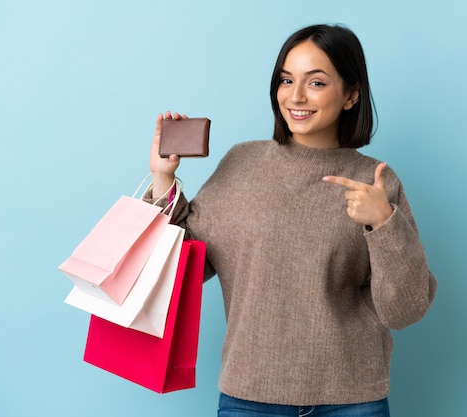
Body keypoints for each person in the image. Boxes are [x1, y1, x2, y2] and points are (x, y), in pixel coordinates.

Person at [145, 23, 437, 417]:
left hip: (352, 401)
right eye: (286, 80)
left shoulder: (376, 181)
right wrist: (163, 178)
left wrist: (384, 223)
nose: (295, 96)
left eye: (316, 83)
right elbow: (181, 269)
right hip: (249, 397)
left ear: (351, 95)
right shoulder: (241, 163)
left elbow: (404, 310)